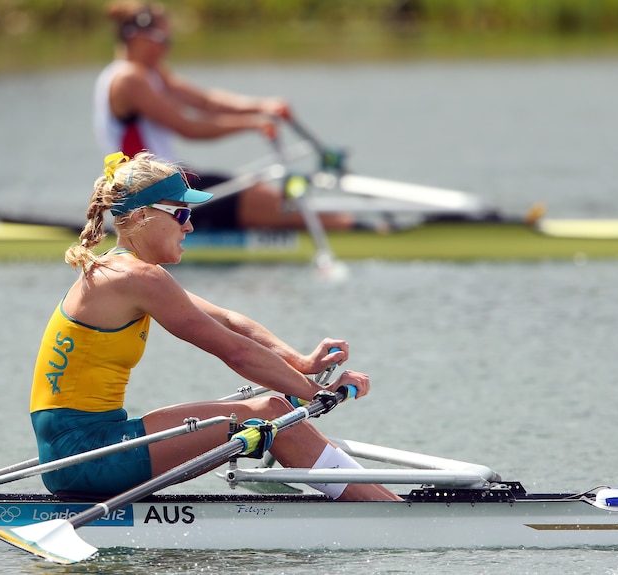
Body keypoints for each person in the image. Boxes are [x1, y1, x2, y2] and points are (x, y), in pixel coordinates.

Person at [29, 151, 400, 502]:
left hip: (91, 445)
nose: (190, 225)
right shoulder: (134, 276)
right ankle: (394, 515)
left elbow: (227, 321)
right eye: (180, 213)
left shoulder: (124, 270)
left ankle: (385, 504)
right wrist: (316, 392)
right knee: (272, 411)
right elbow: (233, 350)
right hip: (84, 456)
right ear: (142, 216)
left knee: (274, 406)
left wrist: (301, 364)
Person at [93, 1, 354, 230]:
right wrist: (252, 124)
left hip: (171, 183)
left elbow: (206, 102)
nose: (167, 49)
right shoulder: (129, 80)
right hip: (155, 193)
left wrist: (262, 106)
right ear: (139, 37)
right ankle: (356, 229)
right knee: (274, 204)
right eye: (164, 40)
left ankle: (348, 224)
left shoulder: (150, 73)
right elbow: (187, 127)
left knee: (264, 196)